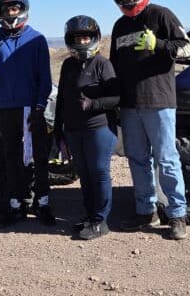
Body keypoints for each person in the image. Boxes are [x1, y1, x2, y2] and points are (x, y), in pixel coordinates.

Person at [108, 0, 190, 240]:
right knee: (137, 159)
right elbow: (114, 67)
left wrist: (159, 44)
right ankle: (146, 211)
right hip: (130, 104)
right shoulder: (120, 26)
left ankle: (177, 214)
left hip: (158, 101)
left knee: (167, 159)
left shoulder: (161, 15)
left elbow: (188, 48)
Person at [0, 0, 55, 228]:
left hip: (31, 107)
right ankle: (16, 204)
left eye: (14, 8)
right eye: (6, 9)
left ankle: (41, 203)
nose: (11, 13)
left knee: (37, 157)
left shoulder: (37, 39)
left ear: (22, 9)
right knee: (11, 157)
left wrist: (39, 106)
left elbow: (44, 77)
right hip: (5, 107)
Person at [53, 15, 119, 240]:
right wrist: (58, 130)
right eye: (77, 38)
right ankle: (91, 216)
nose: (82, 42)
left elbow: (116, 97)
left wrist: (93, 104)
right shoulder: (68, 64)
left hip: (98, 128)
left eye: (86, 38)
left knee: (99, 173)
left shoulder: (102, 64)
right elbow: (61, 97)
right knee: (84, 174)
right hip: (73, 130)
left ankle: (101, 221)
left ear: (95, 38)